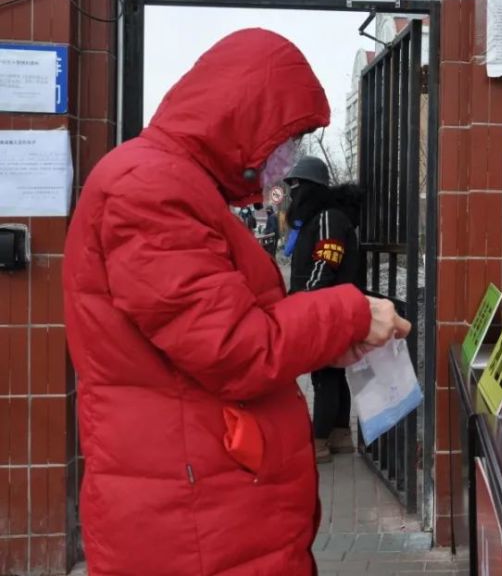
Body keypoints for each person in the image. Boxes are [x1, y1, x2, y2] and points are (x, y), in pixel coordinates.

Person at [63, 28, 410, 576]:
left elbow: (222, 329)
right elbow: (236, 347)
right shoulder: (148, 189)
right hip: (193, 519)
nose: (287, 157)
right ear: (248, 116)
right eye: (287, 138)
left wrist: (327, 338)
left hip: (206, 501)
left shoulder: (177, 185)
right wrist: (349, 312)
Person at [282, 155, 365, 461]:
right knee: (333, 371)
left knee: (324, 375)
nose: (292, 192)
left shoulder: (329, 217)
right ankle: (340, 433)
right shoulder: (323, 217)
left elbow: (325, 264)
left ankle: (318, 440)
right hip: (332, 304)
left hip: (327, 306)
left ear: (311, 187)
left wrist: (303, 300)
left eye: (297, 185)